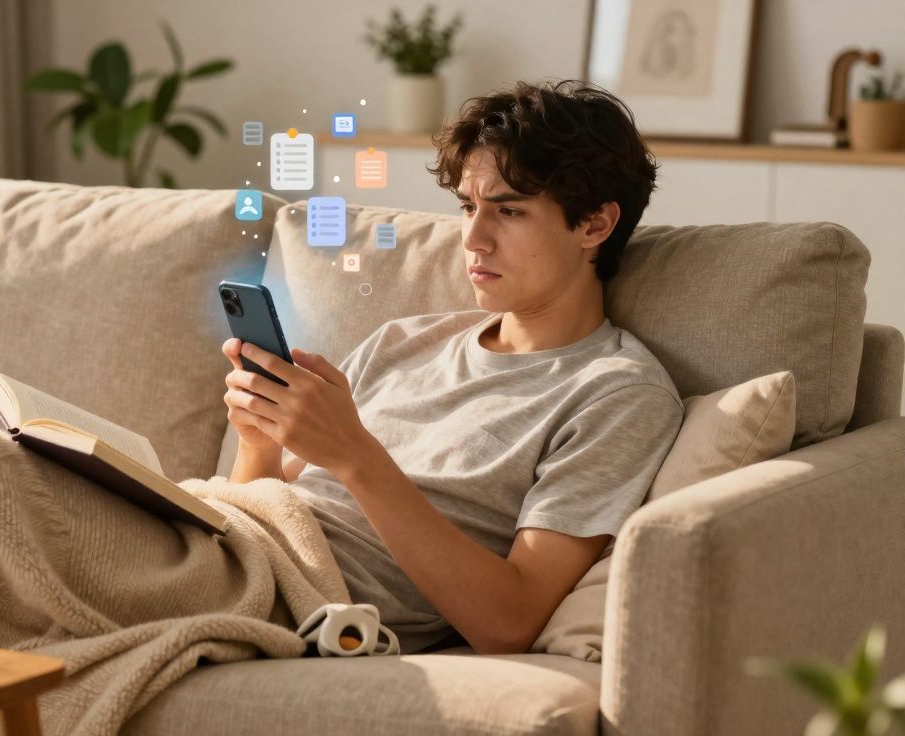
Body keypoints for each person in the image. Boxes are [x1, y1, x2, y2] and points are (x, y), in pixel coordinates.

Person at [219, 79, 684, 655]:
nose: (473, 238)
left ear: (594, 225)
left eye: (508, 211)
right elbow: (262, 511)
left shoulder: (616, 395)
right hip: (229, 545)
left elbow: (509, 622)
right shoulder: (401, 344)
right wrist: (258, 444)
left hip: (290, 596)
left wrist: (355, 455)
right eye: (467, 206)